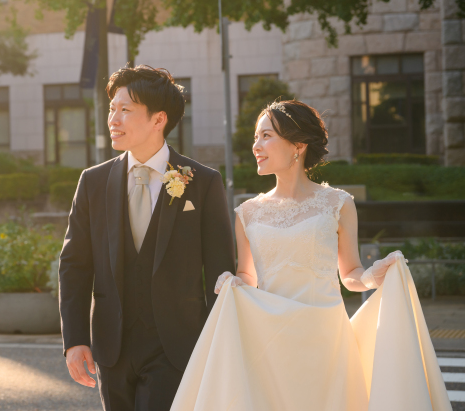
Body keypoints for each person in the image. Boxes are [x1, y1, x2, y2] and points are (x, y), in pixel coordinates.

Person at [170, 99, 452, 411]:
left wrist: (374, 275)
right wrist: (233, 281)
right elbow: (248, 274)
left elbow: (350, 275)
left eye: (266, 136)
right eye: (255, 137)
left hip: (326, 342)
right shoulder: (247, 213)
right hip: (271, 343)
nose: (256, 146)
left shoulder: (338, 204)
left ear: (298, 145)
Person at [58, 65, 236, 411]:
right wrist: (75, 340)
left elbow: (220, 272)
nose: (114, 119)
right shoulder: (92, 182)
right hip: (112, 346)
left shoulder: (202, 182)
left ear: (159, 120)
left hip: (176, 346)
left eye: (126, 110)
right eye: (112, 109)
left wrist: (219, 345)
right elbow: (74, 265)